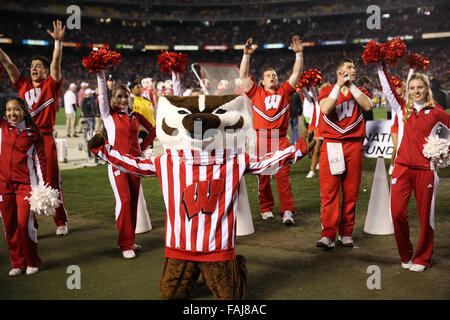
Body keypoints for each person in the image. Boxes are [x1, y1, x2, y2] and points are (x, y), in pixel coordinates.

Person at [377, 62, 450, 272]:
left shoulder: (437, 112)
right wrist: (380, 65)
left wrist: (444, 152)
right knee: (397, 213)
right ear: (408, 91)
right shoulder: (403, 108)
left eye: (420, 87)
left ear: (427, 89)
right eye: (412, 88)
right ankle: (406, 254)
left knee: (426, 215)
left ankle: (423, 258)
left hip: (426, 171)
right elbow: (388, 89)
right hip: (401, 168)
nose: (416, 91)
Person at [0, 20, 69, 235]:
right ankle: (32, 222)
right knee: (26, 182)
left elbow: (57, 65)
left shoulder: (51, 85)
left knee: (51, 180)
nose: (33, 69)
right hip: (23, 138)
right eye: (31, 66)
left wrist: (57, 43)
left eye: (38, 66)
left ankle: (61, 221)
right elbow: (9, 65)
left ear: (46, 71)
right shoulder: (23, 85)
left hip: (45, 138)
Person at [239, 36, 304, 225]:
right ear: (262, 82)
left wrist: (299, 53)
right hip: (261, 139)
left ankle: (288, 212)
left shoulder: (284, 90)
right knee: (264, 177)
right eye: (269, 75)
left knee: (283, 176)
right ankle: (266, 208)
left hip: (281, 139)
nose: (273, 76)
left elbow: (296, 74)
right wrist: (246, 56)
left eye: (274, 74)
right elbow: (243, 77)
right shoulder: (256, 92)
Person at [96, 68, 156, 259]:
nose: (123, 99)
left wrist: (142, 147)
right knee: (124, 202)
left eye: (126, 96)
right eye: (120, 96)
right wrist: (101, 72)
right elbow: (103, 94)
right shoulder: (108, 115)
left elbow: (153, 130)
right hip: (117, 165)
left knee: (133, 203)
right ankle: (124, 244)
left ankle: (130, 241)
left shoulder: (135, 116)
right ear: (114, 98)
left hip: (135, 165)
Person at [316, 58, 373, 248]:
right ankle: (328, 235)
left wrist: (351, 86)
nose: (354, 69)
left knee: (351, 192)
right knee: (329, 193)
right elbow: (325, 109)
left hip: (353, 145)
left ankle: (346, 232)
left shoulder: (360, 91)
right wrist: (339, 86)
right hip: (332, 144)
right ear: (339, 72)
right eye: (349, 67)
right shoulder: (326, 90)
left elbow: (368, 106)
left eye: (354, 67)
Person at [0, 97, 47, 276]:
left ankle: (32, 261)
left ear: (24, 111)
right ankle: (18, 263)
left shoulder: (33, 135)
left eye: (16, 109)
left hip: (25, 186)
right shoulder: (3, 127)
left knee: (24, 225)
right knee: (9, 225)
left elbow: (41, 163)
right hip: (4, 186)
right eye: (8, 110)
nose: (12, 113)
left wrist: (42, 188)